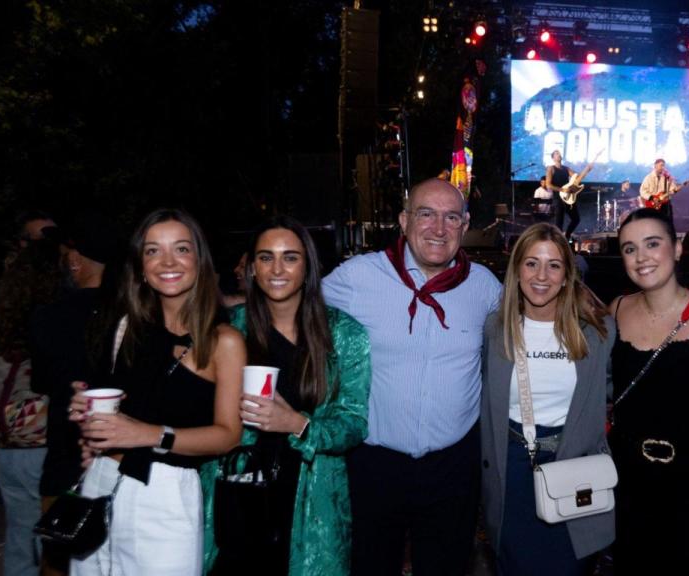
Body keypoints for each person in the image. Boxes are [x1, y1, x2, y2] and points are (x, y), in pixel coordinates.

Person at [322, 178, 502, 576]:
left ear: (464, 225)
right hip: (375, 464)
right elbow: (294, 311)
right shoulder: (358, 277)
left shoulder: (485, 287)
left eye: (451, 217)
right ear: (404, 221)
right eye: (426, 214)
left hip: (453, 466)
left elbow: (531, 324)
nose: (439, 228)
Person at [69, 209, 245, 576]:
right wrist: (85, 411)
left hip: (165, 495)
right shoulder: (124, 328)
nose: (167, 262)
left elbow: (229, 435)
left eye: (181, 249)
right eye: (153, 251)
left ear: (199, 260)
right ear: (141, 266)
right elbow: (111, 408)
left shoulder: (223, 341)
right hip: (100, 481)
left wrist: (149, 434)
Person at [206, 216, 371, 575]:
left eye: (290, 257)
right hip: (237, 490)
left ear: (309, 267)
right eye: (266, 257)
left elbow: (354, 424)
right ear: (251, 268)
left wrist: (298, 424)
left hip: (310, 495)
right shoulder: (228, 329)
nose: (277, 269)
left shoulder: (344, 334)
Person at [480, 223, 614, 575]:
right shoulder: (495, 329)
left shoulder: (596, 333)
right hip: (512, 469)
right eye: (531, 263)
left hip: (573, 466)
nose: (541, 276)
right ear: (516, 270)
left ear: (567, 276)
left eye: (554, 265)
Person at [608, 208, 689, 574]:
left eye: (652, 244)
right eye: (629, 249)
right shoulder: (615, 310)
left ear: (677, 249)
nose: (641, 257)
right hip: (630, 484)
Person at [32, 218, 120, 576]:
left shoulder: (48, 315)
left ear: (74, 261)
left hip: (65, 460)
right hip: (120, 462)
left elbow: (41, 382)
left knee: (59, 559)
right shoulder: (133, 313)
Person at [0, 239, 63, 576]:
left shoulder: (7, 313)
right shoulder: (56, 315)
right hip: (43, 441)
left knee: (20, 538)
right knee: (53, 544)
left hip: (8, 444)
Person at [547, 150, 580, 237]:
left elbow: (576, 177)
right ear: (553, 158)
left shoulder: (566, 168)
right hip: (558, 198)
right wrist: (562, 189)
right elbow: (548, 185)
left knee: (576, 219)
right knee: (559, 223)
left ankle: (567, 236)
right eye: (556, 154)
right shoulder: (551, 168)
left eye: (559, 153)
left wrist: (585, 171)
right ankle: (558, 240)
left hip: (568, 198)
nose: (559, 155)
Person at [639, 159, 679, 223]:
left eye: (664, 166)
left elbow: (672, 189)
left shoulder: (666, 178)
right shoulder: (648, 177)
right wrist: (651, 197)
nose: (663, 167)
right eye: (661, 165)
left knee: (667, 222)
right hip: (653, 204)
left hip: (664, 204)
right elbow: (642, 191)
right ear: (655, 166)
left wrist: (673, 185)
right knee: (654, 222)